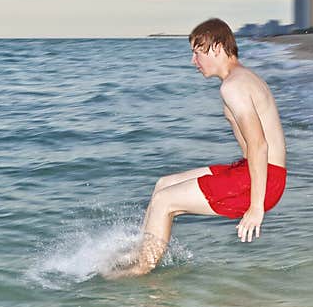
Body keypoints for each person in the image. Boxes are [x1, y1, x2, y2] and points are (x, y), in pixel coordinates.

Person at [104, 18, 288, 279]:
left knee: (164, 202)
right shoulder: (242, 78)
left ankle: (140, 269)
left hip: (262, 178)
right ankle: (140, 251)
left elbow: (259, 144)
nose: (193, 61)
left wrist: (256, 207)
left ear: (216, 48)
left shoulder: (234, 86)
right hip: (255, 171)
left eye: (196, 52)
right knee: (163, 185)